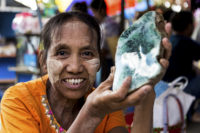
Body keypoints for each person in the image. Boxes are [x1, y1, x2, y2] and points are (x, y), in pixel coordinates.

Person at [0, 11, 171, 133]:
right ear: (43, 61)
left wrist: (146, 89)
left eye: (87, 53)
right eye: (62, 53)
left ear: (99, 61)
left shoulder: (106, 104)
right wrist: (91, 114)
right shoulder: (18, 99)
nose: (75, 67)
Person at [162, 11, 200, 122]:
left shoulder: (171, 40)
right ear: (189, 27)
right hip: (179, 87)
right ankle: (196, 113)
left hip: (167, 86)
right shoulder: (186, 42)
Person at [90, 0, 120, 84]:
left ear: (102, 10)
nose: (94, 15)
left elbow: (110, 47)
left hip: (109, 61)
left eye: (94, 12)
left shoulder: (109, 25)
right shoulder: (103, 24)